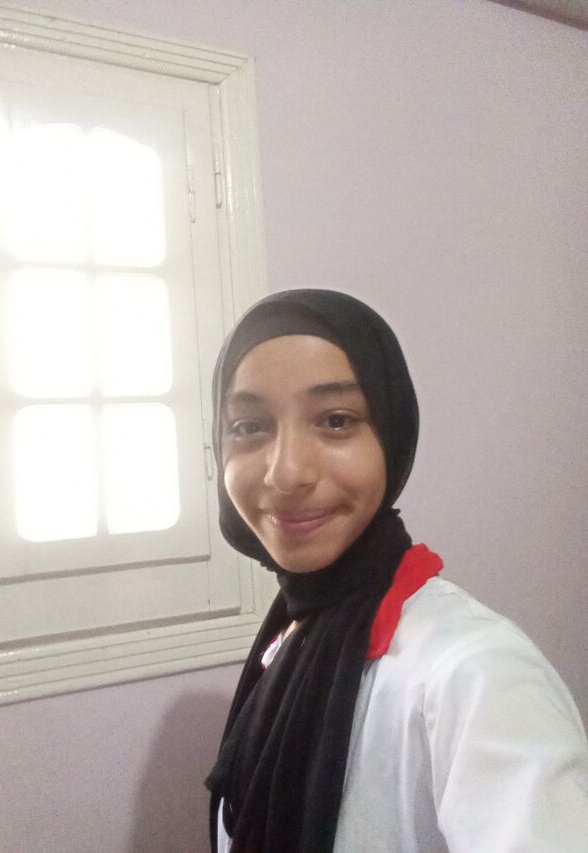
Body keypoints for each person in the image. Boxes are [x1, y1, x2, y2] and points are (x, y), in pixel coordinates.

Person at [204, 289, 588, 853]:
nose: (286, 473)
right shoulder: (296, 628)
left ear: (392, 433)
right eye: (248, 426)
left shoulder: (478, 675)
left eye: (336, 420)